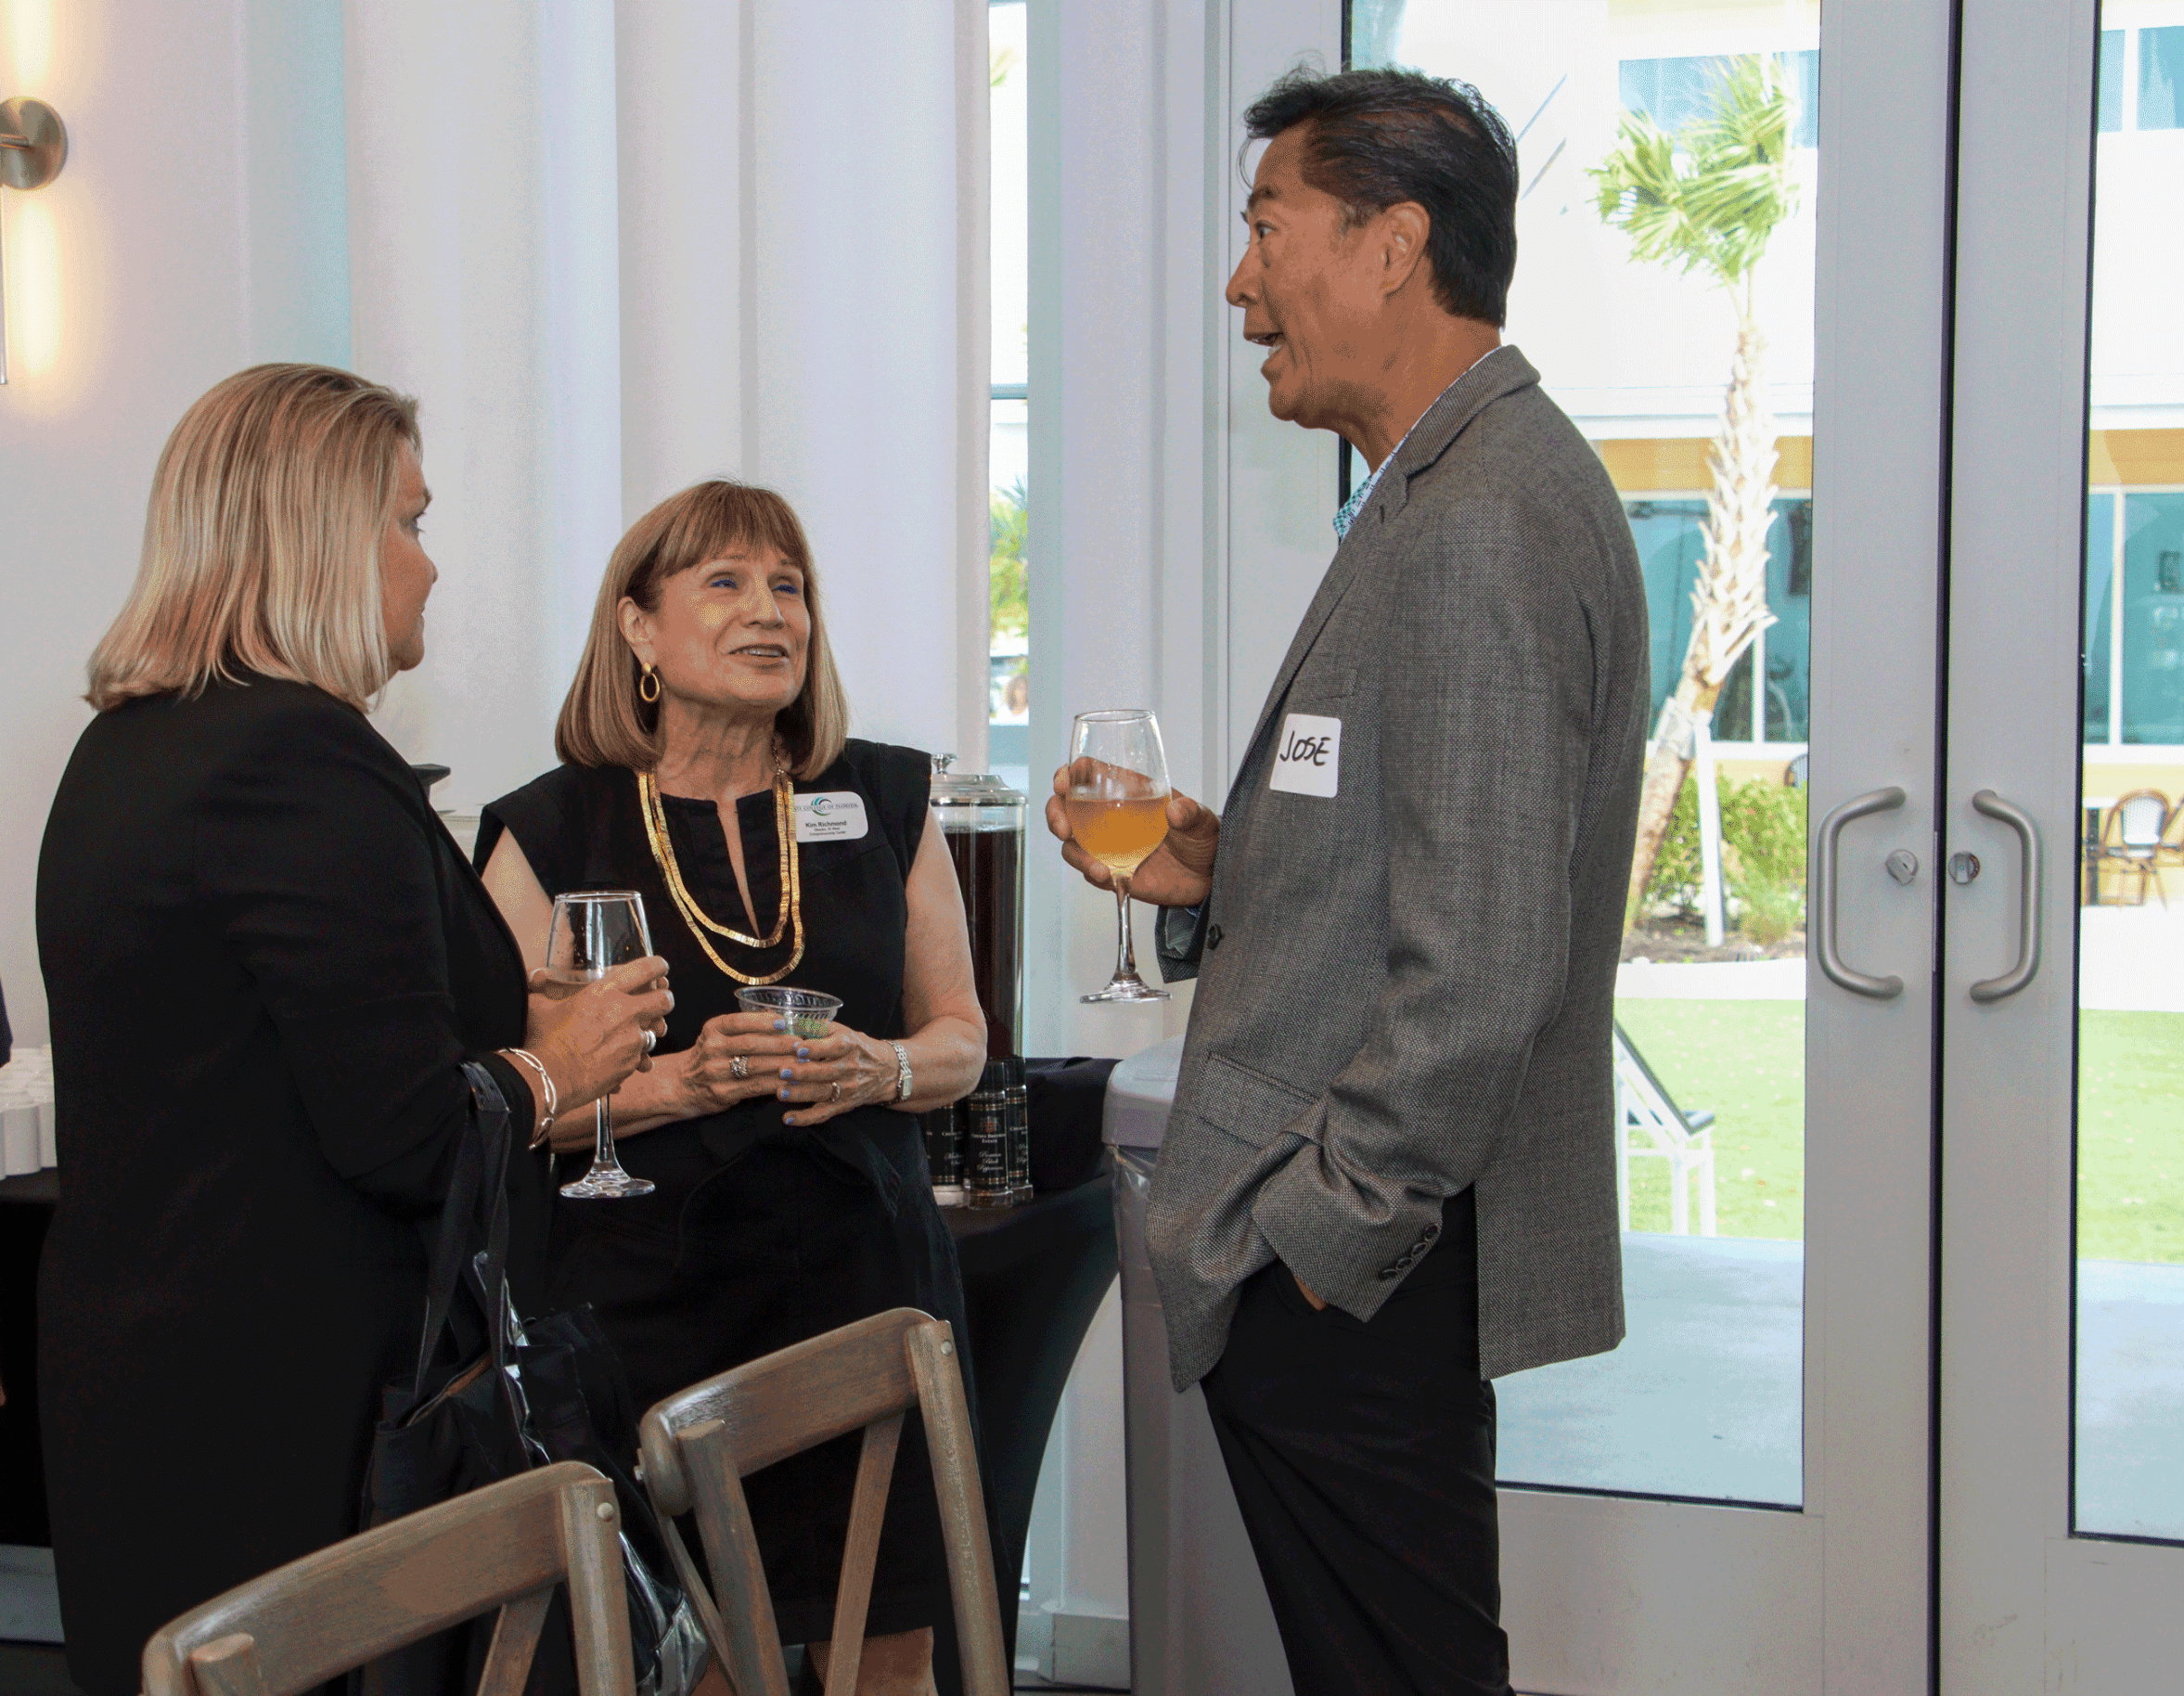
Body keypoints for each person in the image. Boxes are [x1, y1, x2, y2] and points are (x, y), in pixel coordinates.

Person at [1047, 67, 1651, 1696]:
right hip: (1370, 1257)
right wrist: (1217, 866)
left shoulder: (1483, 524)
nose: (1242, 284)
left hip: (1367, 1267)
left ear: (1393, 242)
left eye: (1266, 226)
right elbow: (1429, 865)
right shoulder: (1446, 492)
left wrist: (1319, 1238)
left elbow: (1482, 966)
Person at [35, 364, 671, 1695]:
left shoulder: (129, 749)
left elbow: (258, 1049)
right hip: (285, 1401)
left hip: (158, 1369)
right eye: (411, 521)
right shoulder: (298, 760)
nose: (428, 568)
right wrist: (553, 1070)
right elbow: (403, 1137)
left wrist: (495, 1022)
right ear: (322, 534)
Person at [476, 480, 987, 1696]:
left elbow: (964, 1036)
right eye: (726, 583)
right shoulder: (549, 831)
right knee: (702, 1660)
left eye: (790, 587)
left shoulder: (887, 797)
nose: (772, 613)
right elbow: (510, 1104)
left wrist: (885, 1067)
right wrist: (677, 1088)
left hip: (868, 1297)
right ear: (638, 630)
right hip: (655, 1318)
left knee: (891, 1645)